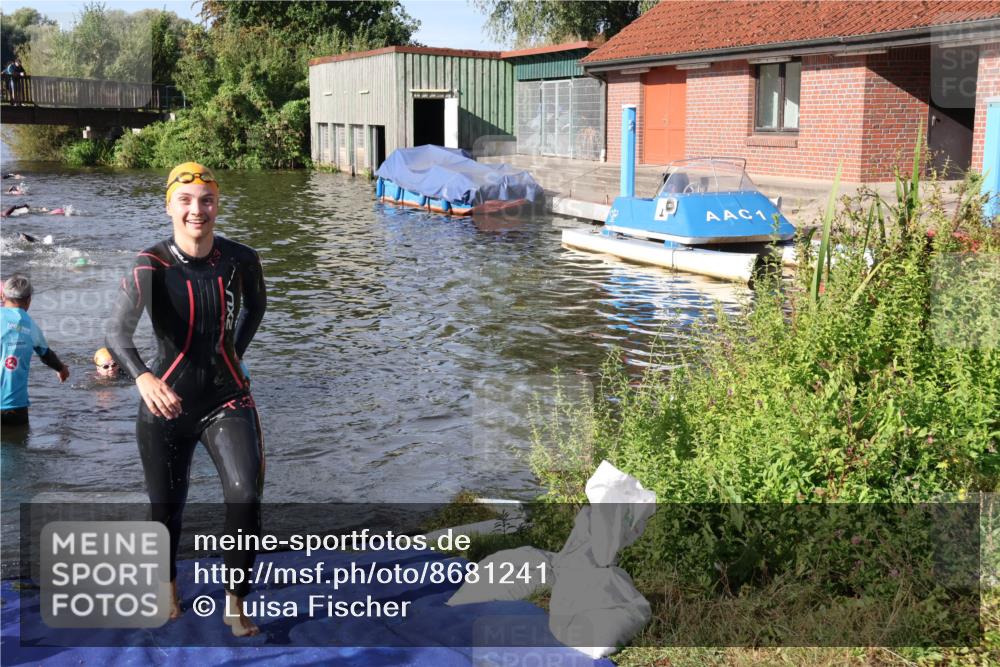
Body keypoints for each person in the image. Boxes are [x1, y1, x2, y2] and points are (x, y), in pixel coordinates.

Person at [105, 162, 266, 636]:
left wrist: (233, 351)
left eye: (207, 200)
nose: (198, 210)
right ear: (169, 205)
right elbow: (116, 330)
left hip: (228, 397)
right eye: (187, 200)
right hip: (165, 404)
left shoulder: (241, 259)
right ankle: (168, 587)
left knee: (245, 495)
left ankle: (234, 601)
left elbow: (256, 306)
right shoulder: (150, 264)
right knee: (165, 506)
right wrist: (142, 378)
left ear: (218, 204)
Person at [1, 274, 70, 425]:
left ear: (3, 296)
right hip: (15, 407)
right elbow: (47, 355)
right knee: (16, 447)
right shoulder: (30, 326)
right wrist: (62, 369)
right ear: (28, 301)